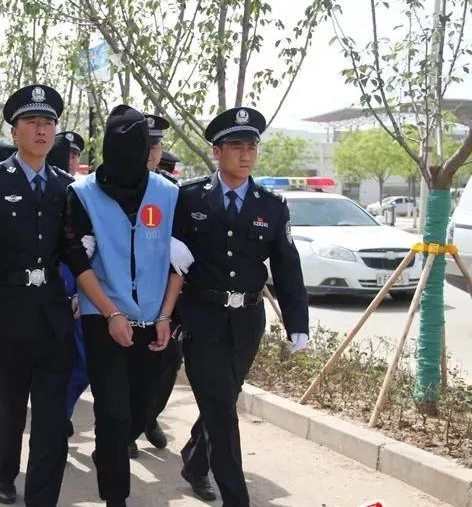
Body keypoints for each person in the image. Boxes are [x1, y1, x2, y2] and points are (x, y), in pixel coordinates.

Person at [171, 107, 309, 506]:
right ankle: (236, 497)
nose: (245, 154)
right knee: (221, 409)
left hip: (247, 320)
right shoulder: (189, 197)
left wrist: (296, 322)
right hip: (201, 318)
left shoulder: (271, 204)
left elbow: (286, 265)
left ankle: (195, 463)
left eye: (251, 146)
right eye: (236, 146)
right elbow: (165, 256)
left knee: (222, 400)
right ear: (217, 151)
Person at [0, 84, 74, 506]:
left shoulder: (65, 185)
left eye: (49, 124)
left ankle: (42, 495)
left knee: (50, 414)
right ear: (16, 130)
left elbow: (73, 246)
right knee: (6, 406)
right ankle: (4, 474)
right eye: (33, 123)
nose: (42, 131)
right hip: (7, 310)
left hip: (53, 314)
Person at [65, 105, 179, 507]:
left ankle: (110, 449)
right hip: (103, 316)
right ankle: (116, 496)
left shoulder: (168, 194)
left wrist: (166, 314)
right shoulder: (82, 194)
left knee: (141, 408)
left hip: (153, 317)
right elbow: (78, 260)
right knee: (111, 413)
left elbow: (178, 261)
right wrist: (110, 312)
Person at [135, 113, 179, 456]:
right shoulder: (102, 186)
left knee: (167, 364)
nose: (151, 152)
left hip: (163, 298)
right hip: (120, 299)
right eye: (144, 144)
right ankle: (123, 428)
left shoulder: (170, 191)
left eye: (155, 145)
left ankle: (146, 417)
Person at [50, 132, 89, 436]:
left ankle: (61, 412)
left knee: (81, 363)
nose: (72, 160)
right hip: (49, 283)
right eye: (68, 154)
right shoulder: (50, 188)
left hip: (78, 285)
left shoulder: (85, 192)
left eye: (76, 155)